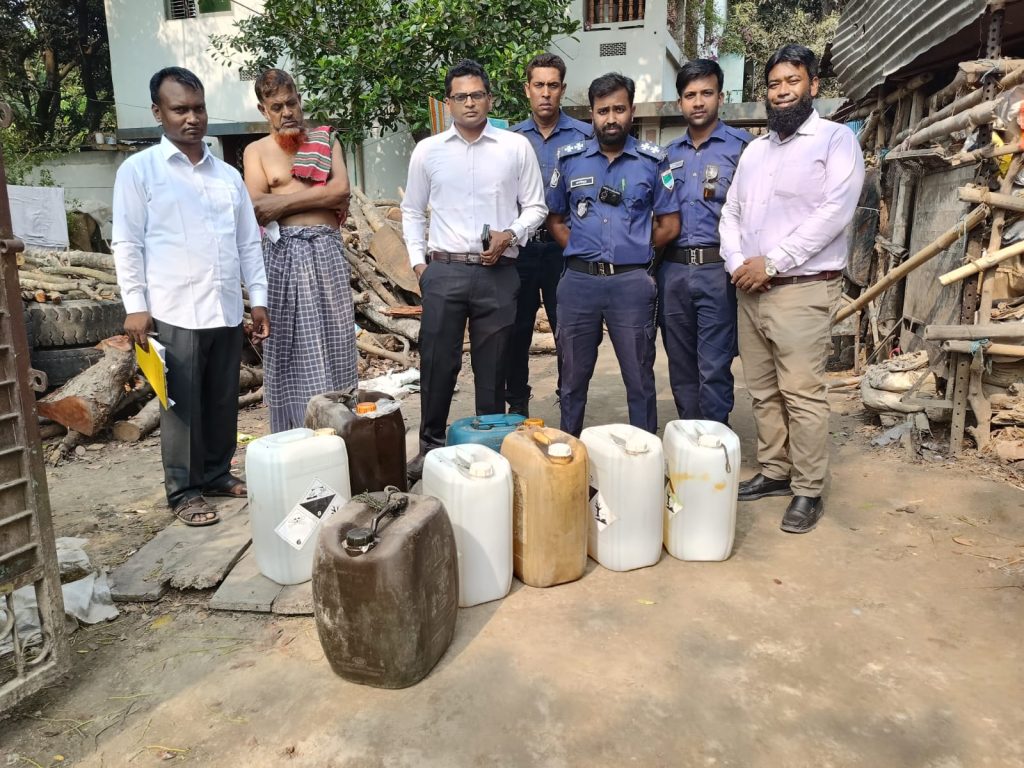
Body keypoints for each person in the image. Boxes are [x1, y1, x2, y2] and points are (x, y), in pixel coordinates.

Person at [112, 67, 270, 526]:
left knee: (221, 399)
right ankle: (183, 491)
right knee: (180, 405)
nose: (192, 118)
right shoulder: (140, 171)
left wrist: (257, 299)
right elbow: (127, 242)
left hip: (223, 306)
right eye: (179, 109)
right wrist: (136, 306)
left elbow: (247, 243)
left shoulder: (227, 177)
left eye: (198, 108)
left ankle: (217, 474)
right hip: (173, 309)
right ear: (157, 112)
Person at [720, 44, 865, 534]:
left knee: (802, 393)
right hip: (750, 289)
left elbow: (834, 213)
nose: (782, 91)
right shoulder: (755, 151)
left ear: (813, 85)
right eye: (774, 84)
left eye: (792, 81)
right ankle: (775, 470)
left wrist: (773, 262)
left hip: (802, 289)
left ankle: (808, 489)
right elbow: (731, 212)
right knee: (762, 391)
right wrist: (738, 262)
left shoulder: (835, 141)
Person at [401, 59, 547, 481]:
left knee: (493, 367)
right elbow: (412, 210)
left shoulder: (514, 147)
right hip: (444, 271)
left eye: (477, 94)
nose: (469, 103)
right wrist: (420, 265)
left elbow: (536, 206)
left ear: (490, 99)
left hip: (497, 272)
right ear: (447, 103)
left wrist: (511, 234)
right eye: (460, 96)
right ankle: (430, 448)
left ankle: (489, 450)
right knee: (437, 363)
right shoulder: (428, 151)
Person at [547, 73, 680, 437]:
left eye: (618, 109)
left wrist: (635, 248)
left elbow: (669, 225)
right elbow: (555, 219)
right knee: (571, 379)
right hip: (579, 283)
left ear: (631, 111)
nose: (611, 118)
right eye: (603, 110)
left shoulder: (653, 161)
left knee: (639, 378)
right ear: (591, 113)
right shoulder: (570, 160)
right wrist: (581, 249)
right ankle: (568, 452)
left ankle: (645, 452)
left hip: (630, 284)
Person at [243, 69, 358, 433]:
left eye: (291, 103)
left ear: (300, 100)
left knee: (337, 339)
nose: (287, 112)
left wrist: (281, 202)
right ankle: (297, 432)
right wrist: (315, 196)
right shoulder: (256, 152)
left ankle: (341, 428)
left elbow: (340, 192)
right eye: (277, 107)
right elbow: (257, 206)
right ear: (264, 110)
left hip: (326, 252)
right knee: (289, 348)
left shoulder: (326, 140)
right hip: (282, 257)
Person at [660, 59, 752, 425]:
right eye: (690, 95)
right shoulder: (666, 155)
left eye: (706, 93)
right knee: (680, 363)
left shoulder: (743, 149)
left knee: (714, 363)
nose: (698, 102)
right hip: (673, 271)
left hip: (718, 271)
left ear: (721, 97)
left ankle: (715, 438)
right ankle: (689, 437)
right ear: (680, 102)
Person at [505, 53, 593, 417]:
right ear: (527, 89)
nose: (546, 93)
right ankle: (517, 407)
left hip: (564, 249)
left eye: (553, 85)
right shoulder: (510, 140)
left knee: (568, 331)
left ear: (563, 89)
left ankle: (568, 404)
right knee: (516, 332)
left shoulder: (585, 136)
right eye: (539, 85)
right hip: (521, 249)